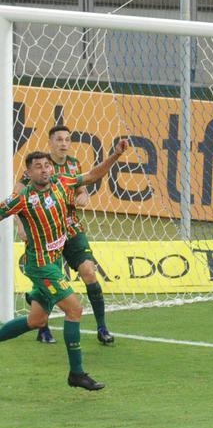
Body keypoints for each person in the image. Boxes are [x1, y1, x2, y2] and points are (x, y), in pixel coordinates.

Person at [0, 141, 132, 390]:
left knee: (36, 321)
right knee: (74, 310)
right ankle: (77, 373)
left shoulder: (63, 181)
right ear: (28, 174)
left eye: (47, 165)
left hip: (54, 261)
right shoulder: (23, 199)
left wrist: (115, 154)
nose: (44, 169)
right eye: (37, 167)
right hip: (41, 267)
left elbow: (93, 175)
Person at [25, 125, 115, 346]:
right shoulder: (40, 166)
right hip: (47, 235)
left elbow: (82, 186)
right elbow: (19, 196)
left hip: (72, 229)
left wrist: (84, 194)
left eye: (67, 140)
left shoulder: (74, 165)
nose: (63, 143)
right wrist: (20, 223)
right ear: (50, 142)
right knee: (50, 280)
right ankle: (43, 327)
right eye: (59, 140)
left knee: (89, 272)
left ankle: (102, 327)